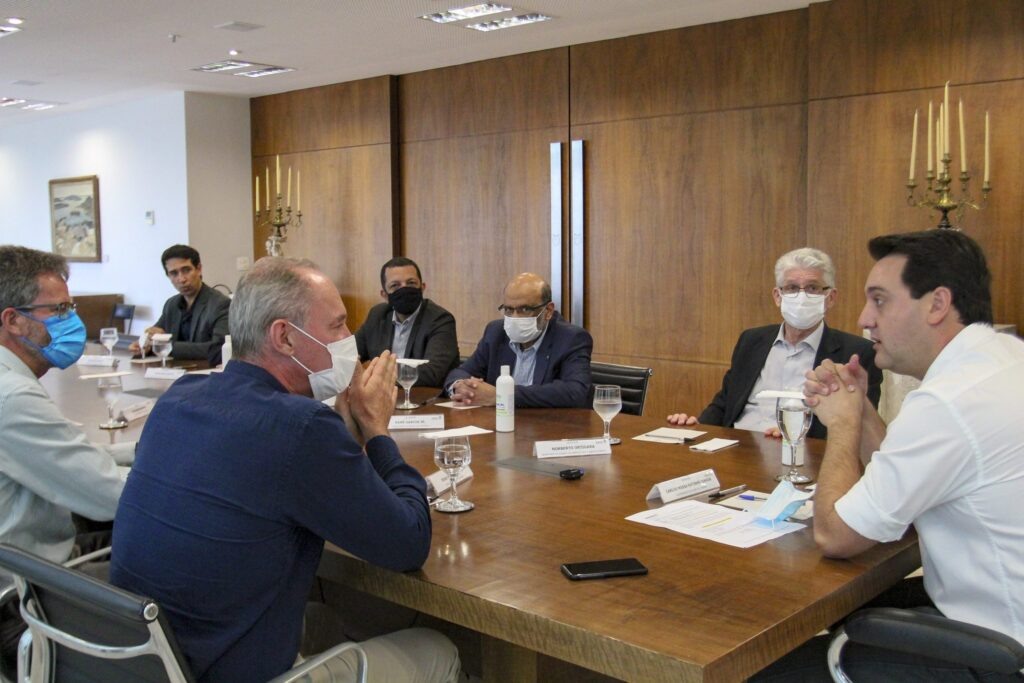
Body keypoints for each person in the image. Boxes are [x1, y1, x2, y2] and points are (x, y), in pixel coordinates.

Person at [110, 257, 460, 683]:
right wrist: (377, 431)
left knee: (324, 618)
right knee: (436, 648)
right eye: (337, 325)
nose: (349, 339)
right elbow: (407, 544)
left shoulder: (181, 396)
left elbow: (275, 475)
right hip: (222, 668)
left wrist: (347, 433)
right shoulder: (301, 427)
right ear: (285, 338)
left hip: (144, 656)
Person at [755, 229, 1024, 681]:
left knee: (761, 668)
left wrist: (843, 423)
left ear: (937, 304)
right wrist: (860, 405)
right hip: (992, 609)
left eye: (879, 300)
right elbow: (902, 473)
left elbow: (837, 536)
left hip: (997, 651)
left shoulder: (948, 402)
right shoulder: (1000, 360)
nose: (864, 319)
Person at [0, 245, 133, 678]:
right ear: (13, 319)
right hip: (23, 601)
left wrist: (150, 450)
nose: (72, 321)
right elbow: (108, 496)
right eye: (59, 310)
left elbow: (67, 456)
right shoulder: (13, 397)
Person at [667, 247, 881, 439]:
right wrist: (696, 428)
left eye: (813, 288)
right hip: (735, 449)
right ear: (778, 296)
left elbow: (855, 427)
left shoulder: (856, 353)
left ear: (830, 297)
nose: (801, 296)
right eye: (792, 288)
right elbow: (725, 403)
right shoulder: (751, 340)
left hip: (801, 457)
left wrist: (796, 435)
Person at [444, 272, 592, 408]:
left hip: (547, 428)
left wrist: (502, 396)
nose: (515, 317)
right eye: (508, 309)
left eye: (525, 309)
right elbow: (462, 371)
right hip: (498, 425)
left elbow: (576, 391)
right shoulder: (496, 333)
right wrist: (460, 386)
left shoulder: (571, 338)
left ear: (548, 311)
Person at [355, 257, 459, 388]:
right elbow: (349, 356)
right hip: (383, 397)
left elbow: (432, 374)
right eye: (395, 285)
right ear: (384, 294)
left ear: (422, 287)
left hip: (424, 400)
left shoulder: (440, 319)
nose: (404, 289)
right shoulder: (377, 315)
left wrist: (376, 374)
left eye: (411, 283)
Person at [130, 244, 230, 364]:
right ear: (168, 276)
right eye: (174, 273)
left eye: (186, 270)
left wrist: (167, 345)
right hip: (174, 372)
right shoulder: (171, 304)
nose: (181, 279)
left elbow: (217, 350)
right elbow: (155, 337)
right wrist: (144, 345)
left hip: (206, 373)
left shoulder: (221, 304)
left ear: (199, 269)